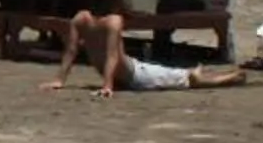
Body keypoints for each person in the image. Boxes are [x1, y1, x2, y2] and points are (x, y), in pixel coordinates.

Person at [40, 11, 248, 96]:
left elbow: (110, 54)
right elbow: (72, 50)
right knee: (184, 76)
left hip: (135, 75)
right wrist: (59, 80)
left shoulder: (106, 21)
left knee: (189, 80)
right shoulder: (86, 20)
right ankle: (195, 70)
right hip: (129, 77)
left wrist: (107, 85)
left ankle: (232, 77)